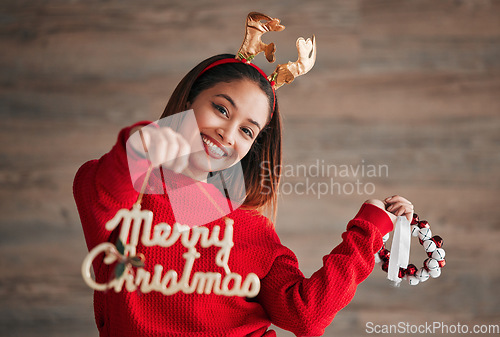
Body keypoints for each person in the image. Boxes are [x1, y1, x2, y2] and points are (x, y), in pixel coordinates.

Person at [73, 15, 414, 337]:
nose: (228, 134)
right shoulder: (123, 193)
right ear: (189, 100)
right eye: (221, 109)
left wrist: (368, 230)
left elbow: (305, 316)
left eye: (248, 131)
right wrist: (142, 147)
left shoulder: (252, 228)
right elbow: (104, 189)